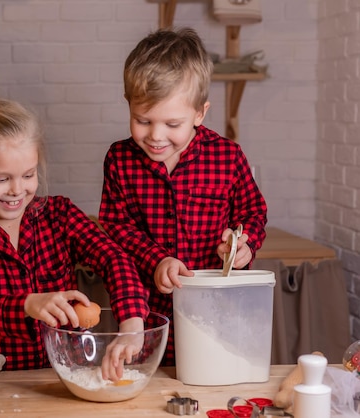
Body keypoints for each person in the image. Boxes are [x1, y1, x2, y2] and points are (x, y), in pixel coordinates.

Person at [0, 78, 150, 380]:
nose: (17, 190)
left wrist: (132, 324)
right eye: (2, 179)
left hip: (68, 377)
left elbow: (114, 258)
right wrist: (28, 304)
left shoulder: (60, 215)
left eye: (28, 175)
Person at [98, 27, 268, 366]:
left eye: (172, 124)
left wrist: (244, 244)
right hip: (148, 313)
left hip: (216, 310)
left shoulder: (227, 156)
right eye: (142, 120)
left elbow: (253, 211)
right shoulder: (119, 159)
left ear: (200, 113)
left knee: (212, 380)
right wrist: (156, 259)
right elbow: (116, 226)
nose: (156, 136)